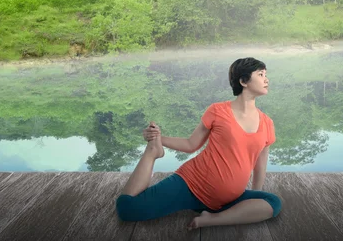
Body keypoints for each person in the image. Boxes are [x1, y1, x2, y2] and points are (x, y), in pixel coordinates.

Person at [115, 57, 281, 230]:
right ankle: (152, 152)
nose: (266, 79)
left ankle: (211, 219)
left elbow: (260, 166)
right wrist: (158, 139)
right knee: (127, 209)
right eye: (261, 74)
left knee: (273, 202)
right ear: (243, 81)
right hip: (191, 185)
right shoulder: (218, 111)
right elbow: (191, 144)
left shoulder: (267, 123)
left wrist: (254, 196)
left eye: (266, 75)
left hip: (227, 200)